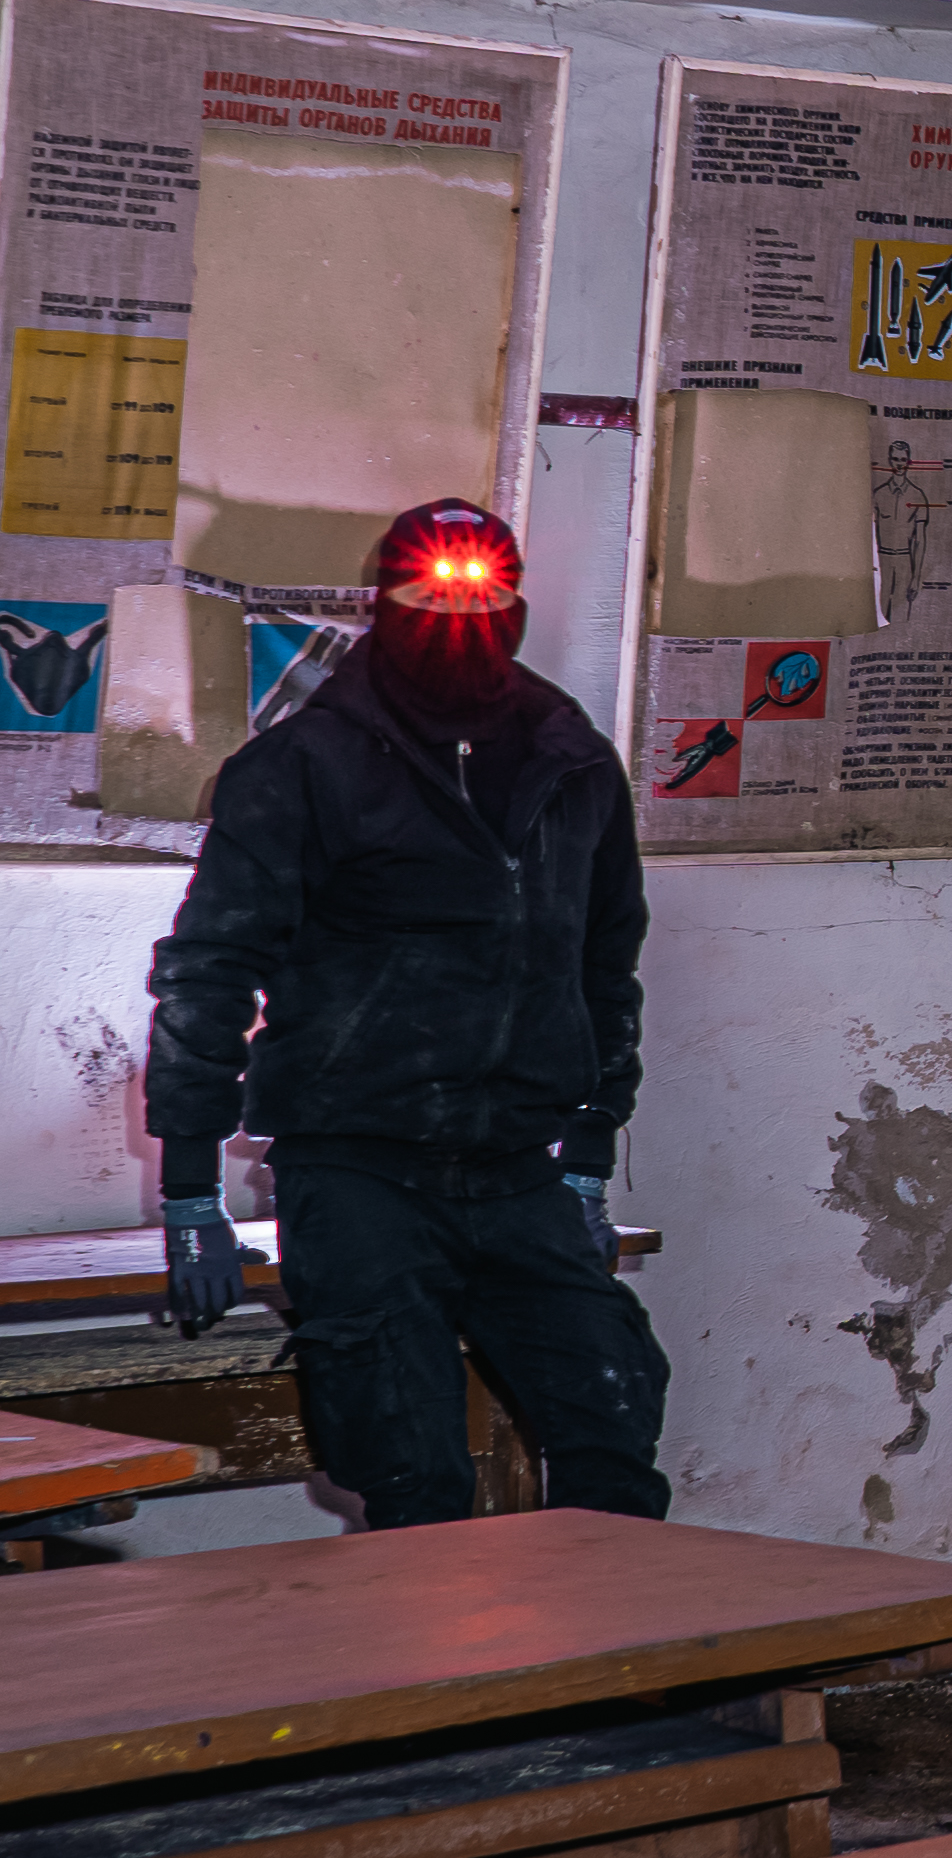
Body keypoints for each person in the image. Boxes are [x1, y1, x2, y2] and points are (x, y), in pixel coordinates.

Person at [142, 499, 670, 1527]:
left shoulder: (574, 765)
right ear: (380, 603)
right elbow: (206, 970)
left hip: (518, 1168)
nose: (454, 618)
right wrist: (191, 1189)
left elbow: (608, 965)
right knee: (409, 1468)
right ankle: (422, 1683)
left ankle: (613, 1684)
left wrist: (591, 1150)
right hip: (357, 1169)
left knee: (612, 1423)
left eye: (481, 596)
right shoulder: (303, 768)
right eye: (426, 596)